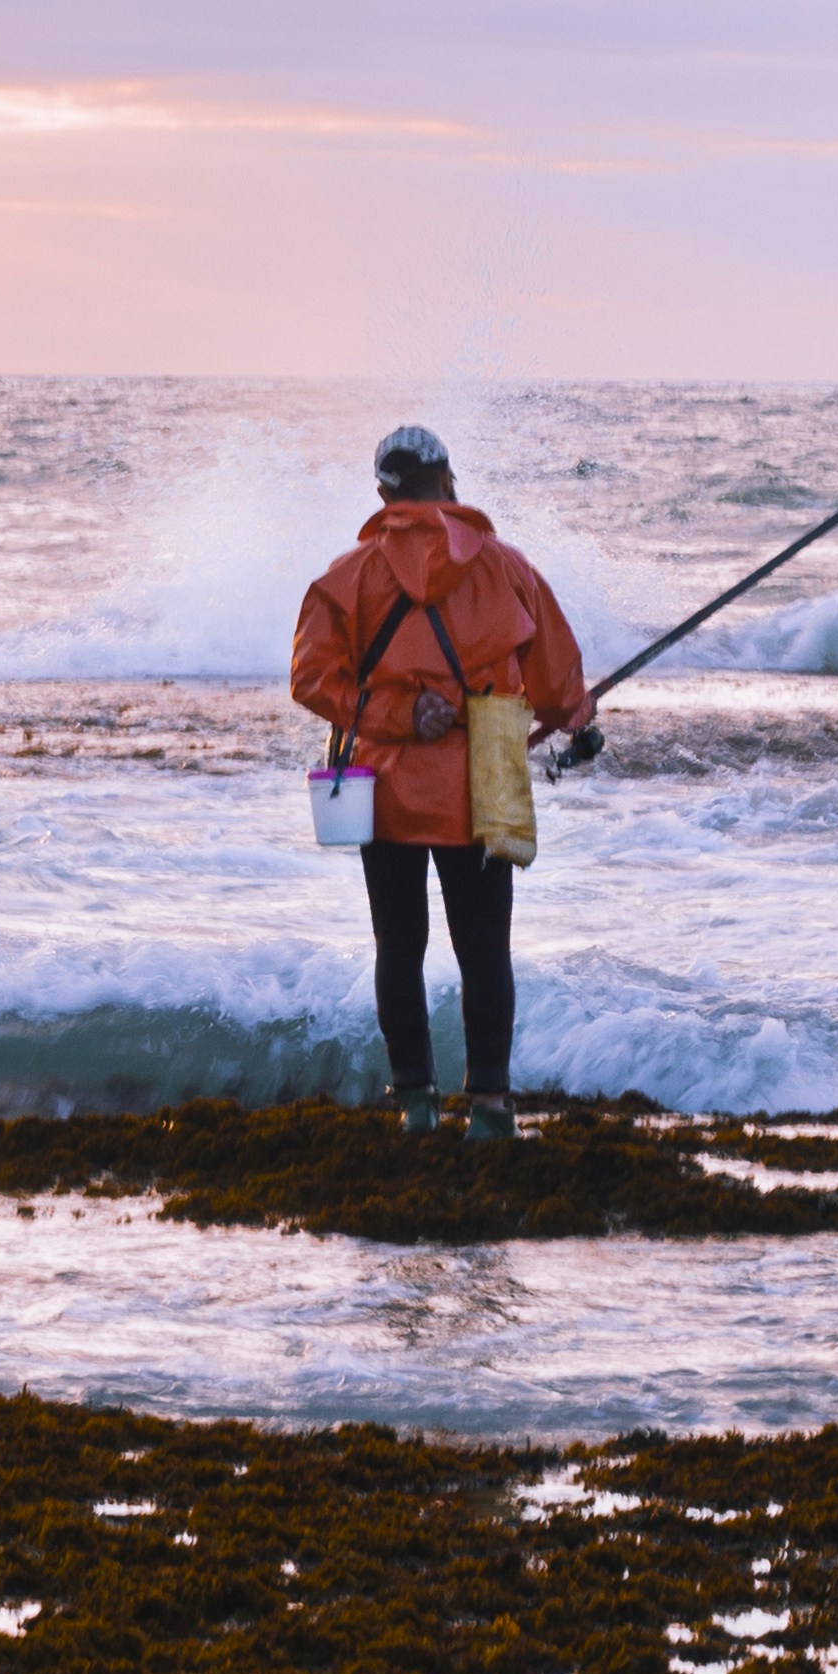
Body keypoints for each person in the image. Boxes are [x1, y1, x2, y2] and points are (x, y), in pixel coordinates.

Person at [289, 423, 600, 1141]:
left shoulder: (347, 577)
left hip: (388, 793)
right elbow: (557, 685)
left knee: (398, 947)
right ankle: (489, 1108)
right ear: (448, 480)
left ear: (382, 493)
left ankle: (416, 1104)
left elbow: (309, 678)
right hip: (481, 785)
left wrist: (396, 711)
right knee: (484, 949)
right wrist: (578, 716)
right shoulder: (507, 568)